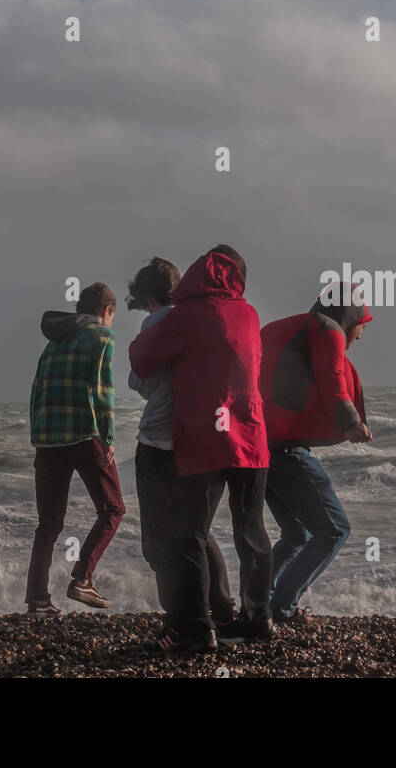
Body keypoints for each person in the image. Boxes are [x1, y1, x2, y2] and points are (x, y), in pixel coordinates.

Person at [129, 245, 272, 652]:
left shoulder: (188, 315)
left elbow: (141, 360)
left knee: (189, 534)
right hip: (253, 434)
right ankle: (257, 619)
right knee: (252, 530)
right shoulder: (249, 313)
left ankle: (196, 628)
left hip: (208, 436)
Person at [126, 256, 236, 628]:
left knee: (159, 544)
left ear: (146, 298)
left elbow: (138, 380)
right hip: (207, 439)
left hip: (160, 441)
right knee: (198, 533)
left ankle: (183, 620)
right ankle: (222, 612)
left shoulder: (156, 322)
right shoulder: (208, 318)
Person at [259, 283, 372, 622]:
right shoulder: (326, 328)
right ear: (348, 317)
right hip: (286, 450)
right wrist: (349, 422)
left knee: (296, 534)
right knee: (334, 530)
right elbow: (331, 375)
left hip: (259, 448)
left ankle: (258, 603)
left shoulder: (281, 329)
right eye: (361, 324)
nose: (360, 336)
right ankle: (281, 607)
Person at [25, 282, 125, 616]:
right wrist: (109, 437)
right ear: (107, 311)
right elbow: (101, 391)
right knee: (113, 509)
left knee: (49, 524)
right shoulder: (102, 337)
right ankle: (82, 578)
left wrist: (38, 434)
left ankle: (38, 601)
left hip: (48, 439)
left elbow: (36, 389)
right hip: (85, 434)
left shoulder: (52, 344)